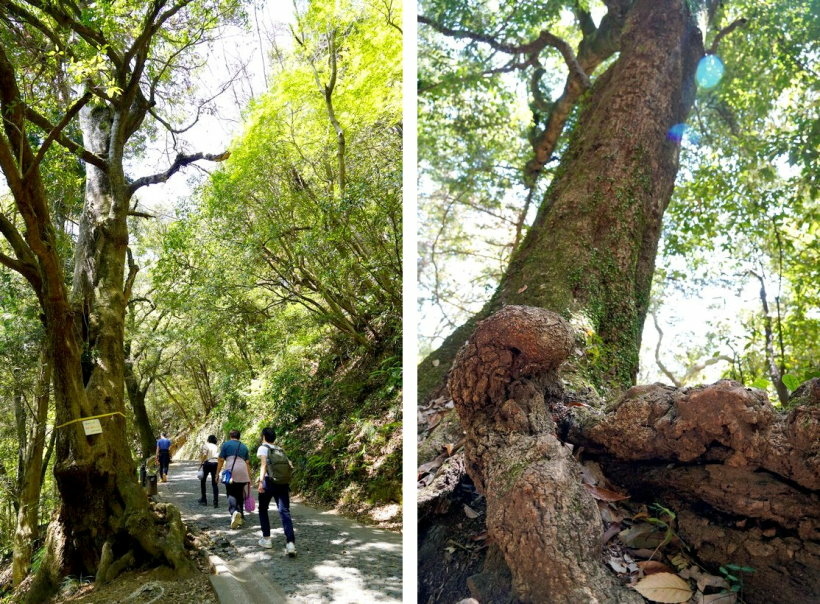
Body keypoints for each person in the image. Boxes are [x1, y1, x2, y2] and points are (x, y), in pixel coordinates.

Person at [256, 427, 296, 557]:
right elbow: (290, 464)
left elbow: (263, 465)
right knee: (284, 511)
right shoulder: (280, 449)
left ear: (263, 437)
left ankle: (267, 539)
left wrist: (261, 482)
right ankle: (290, 543)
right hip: (283, 483)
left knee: (263, 509)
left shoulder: (263, 448)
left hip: (269, 482)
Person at [216, 429, 250, 529]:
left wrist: (217, 473)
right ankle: (240, 515)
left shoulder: (226, 445)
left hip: (231, 471)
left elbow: (221, 460)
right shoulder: (244, 446)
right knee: (240, 493)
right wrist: (249, 477)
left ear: (230, 436)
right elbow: (247, 463)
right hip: (243, 471)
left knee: (231, 492)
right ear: (239, 436)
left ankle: (234, 512)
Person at [198, 434, 219, 507]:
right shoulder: (216, 447)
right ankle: (215, 501)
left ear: (208, 440)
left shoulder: (206, 445)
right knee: (214, 483)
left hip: (207, 463)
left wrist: (201, 463)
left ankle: (204, 499)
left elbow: (204, 455)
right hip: (215, 463)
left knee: (203, 481)